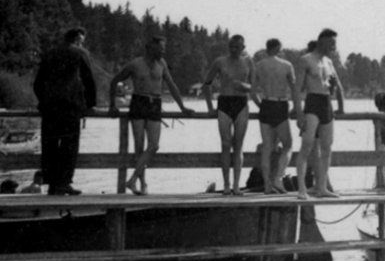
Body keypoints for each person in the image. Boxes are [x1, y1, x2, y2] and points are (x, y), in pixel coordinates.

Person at [109, 35, 194, 195]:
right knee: (139, 146)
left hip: (155, 103)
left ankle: (132, 179)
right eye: (160, 48)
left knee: (154, 145)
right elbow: (114, 81)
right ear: (150, 48)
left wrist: (182, 107)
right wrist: (112, 106)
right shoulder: (135, 64)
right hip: (139, 102)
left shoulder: (161, 64)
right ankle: (141, 184)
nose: (163, 51)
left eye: (164, 48)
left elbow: (172, 85)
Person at [34, 27, 97, 196]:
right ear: (77, 39)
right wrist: (90, 104)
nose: (82, 44)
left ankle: (52, 183)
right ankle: (64, 182)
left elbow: (38, 82)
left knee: (49, 145)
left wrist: (44, 100)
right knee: (69, 145)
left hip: (50, 106)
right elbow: (88, 79)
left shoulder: (50, 53)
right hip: (70, 105)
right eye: (81, 40)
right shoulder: (80, 53)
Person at [295, 28, 344, 199]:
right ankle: (302, 188)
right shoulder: (306, 60)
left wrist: (340, 103)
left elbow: (336, 86)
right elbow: (296, 89)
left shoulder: (328, 62)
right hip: (312, 102)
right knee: (307, 146)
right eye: (331, 43)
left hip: (326, 104)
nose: (334, 46)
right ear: (321, 41)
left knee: (327, 147)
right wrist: (299, 113)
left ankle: (321, 187)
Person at [203, 35, 253, 196]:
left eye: (237, 47)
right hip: (224, 102)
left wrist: (243, 85)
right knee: (225, 144)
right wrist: (210, 106)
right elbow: (206, 83)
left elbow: (253, 86)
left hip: (241, 104)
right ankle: (226, 184)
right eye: (231, 46)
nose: (234, 49)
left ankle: (236, 185)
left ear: (243, 47)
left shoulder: (248, 62)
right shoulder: (220, 61)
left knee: (238, 145)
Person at [250, 38, 301, 194]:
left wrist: (261, 106)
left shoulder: (258, 66)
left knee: (267, 147)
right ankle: (278, 178)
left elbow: (252, 93)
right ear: (279, 49)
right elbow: (294, 90)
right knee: (288, 145)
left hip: (266, 104)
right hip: (280, 104)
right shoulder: (286, 65)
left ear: (266, 49)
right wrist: (296, 108)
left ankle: (267, 184)